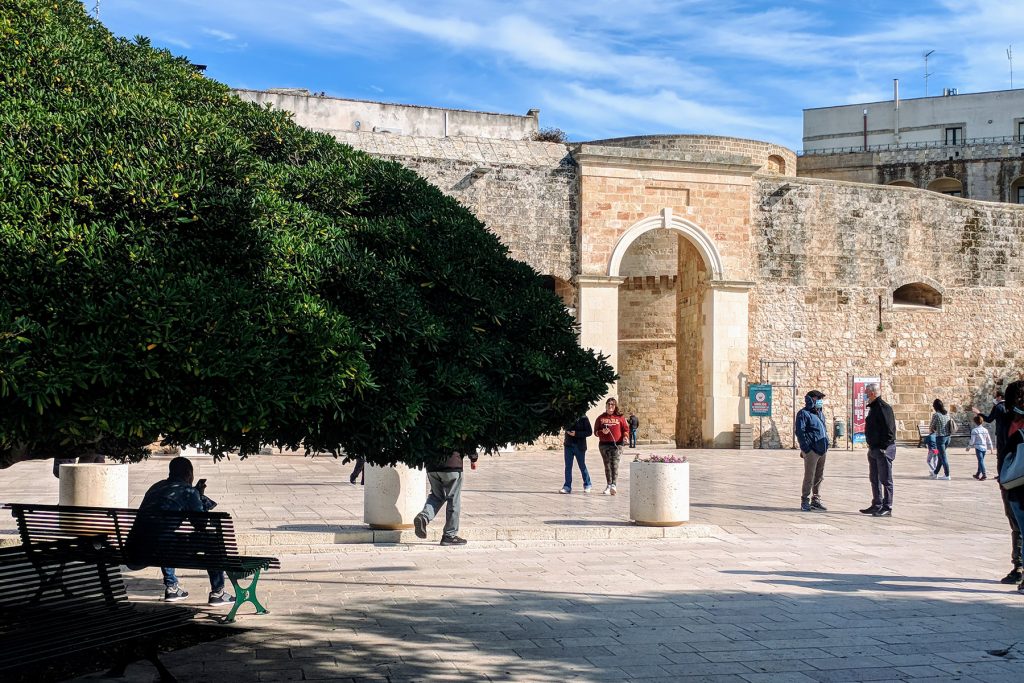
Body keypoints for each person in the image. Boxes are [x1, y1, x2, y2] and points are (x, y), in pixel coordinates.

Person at [130, 456, 235, 606]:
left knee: (163, 535)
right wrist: (197, 496)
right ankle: (218, 592)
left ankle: (172, 588)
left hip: (136, 549)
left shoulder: (156, 486)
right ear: (188, 474)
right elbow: (200, 525)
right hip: (160, 548)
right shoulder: (188, 491)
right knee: (212, 540)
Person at [414, 448, 478, 546]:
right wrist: (473, 458)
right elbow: (468, 441)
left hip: (432, 466)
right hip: (452, 464)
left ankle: (424, 517)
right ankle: (449, 535)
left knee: (436, 495)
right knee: (453, 499)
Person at [996, 381, 1024, 585]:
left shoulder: (1010, 422)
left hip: (1015, 482)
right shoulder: (1006, 421)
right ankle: (1019, 565)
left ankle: (1019, 567)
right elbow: (1003, 451)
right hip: (1011, 482)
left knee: (1019, 525)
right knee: (1016, 524)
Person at [861, 382, 896, 517]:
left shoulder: (883, 408)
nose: (865, 395)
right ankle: (877, 503)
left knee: (886, 478)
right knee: (874, 478)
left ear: (872, 393)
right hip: (874, 449)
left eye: (866, 392)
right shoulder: (874, 408)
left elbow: (889, 430)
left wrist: (883, 447)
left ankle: (887, 506)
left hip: (883, 449)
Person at [795, 390, 829, 512]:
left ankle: (816, 499)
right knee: (809, 476)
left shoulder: (820, 413)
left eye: (821, 398)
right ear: (811, 399)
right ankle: (805, 500)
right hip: (812, 451)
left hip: (822, 450)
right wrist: (806, 449)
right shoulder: (803, 414)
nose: (820, 400)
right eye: (818, 398)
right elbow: (800, 432)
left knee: (819, 476)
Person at [594, 397, 629, 495]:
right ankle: (608, 485)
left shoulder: (620, 418)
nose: (610, 406)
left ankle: (614, 485)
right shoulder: (601, 418)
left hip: (617, 445)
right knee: (607, 465)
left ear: (615, 406)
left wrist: (625, 437)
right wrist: (602, 432)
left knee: (615, 465)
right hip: (604, 445)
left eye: (612, 404)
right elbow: (595, 432)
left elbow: (626, 429)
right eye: (608, 404)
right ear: (606, 406)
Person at [560, 415, 593, 494]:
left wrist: (576, 434)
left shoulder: (584, 418)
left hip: (579, 446)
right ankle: (567, 486)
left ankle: (587, 484)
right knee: (568, 466)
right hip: (568, 445)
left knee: (582, 465)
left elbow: (589, 432)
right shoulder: (567, 416)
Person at [928, 398, 954, 480]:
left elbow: (931, 427)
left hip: (940, 438)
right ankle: (935, 473)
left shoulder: (936, 415)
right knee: (940, 456)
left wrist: (934, 430)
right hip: (948, 437)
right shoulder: (947, 414)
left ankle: (947, 475)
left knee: (943, 456)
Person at [967, 414, 994, 481]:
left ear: (975, 422)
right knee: (981, 460)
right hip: (984, 447)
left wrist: (969, 447)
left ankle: (984, 474)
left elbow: (972, 440)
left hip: (978, 447)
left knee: (980, 460)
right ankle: (978, 473)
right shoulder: (985, 430)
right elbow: (988, 439)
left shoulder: (974, 430)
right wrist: (991, 448)